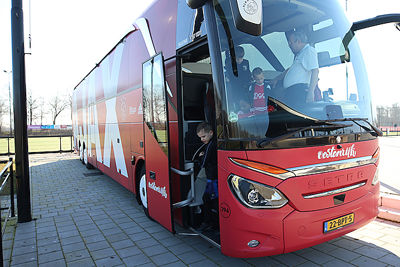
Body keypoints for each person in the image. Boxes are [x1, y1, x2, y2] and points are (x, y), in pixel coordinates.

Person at [271, 30, 319, 104]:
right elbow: (290, 70)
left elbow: (315, 71)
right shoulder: (300, 54)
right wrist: (277, 78)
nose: (289, 45)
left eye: (290, 42)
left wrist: (311, 92)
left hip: (299, 92)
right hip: (292, 93)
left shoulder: (309, 50)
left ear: (298, 41)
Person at [188, 122, 217, 214]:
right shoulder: (212, 143)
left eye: (203, 136)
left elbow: (204, 163)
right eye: (200, 137)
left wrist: (200, 157)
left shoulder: (210, 145)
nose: (202, 139)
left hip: (211, 176)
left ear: (211, 133)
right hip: (213, 174)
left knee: (208, 197)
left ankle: (209, 219)